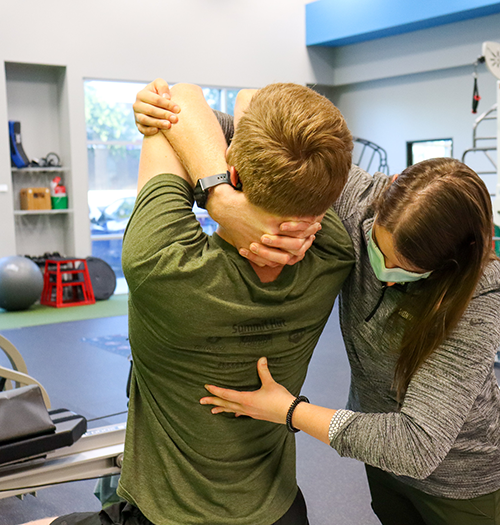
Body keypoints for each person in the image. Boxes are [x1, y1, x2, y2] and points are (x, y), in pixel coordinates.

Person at [134, 82, 500, 524]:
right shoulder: (356, 208)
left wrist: (289, 411)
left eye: (399, 266)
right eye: (376, 246)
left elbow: (417, 446)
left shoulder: (479, 293)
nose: (380, 266)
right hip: (379, 459)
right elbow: (245, 118)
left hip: (462, 479)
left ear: (447, 267)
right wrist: (222, 199)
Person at [33, 81, 354, 525]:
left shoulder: (159, 261)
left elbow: (179, 103)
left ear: (233, 171)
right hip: (280, 513)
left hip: (168, 517)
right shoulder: (335, 255)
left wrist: (220, 197)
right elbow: (248, 102)